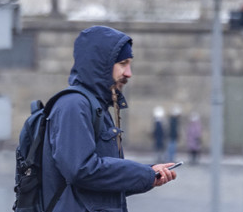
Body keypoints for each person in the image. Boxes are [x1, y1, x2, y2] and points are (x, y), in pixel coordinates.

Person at [41, 25, 177, 212]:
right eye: (123, 64)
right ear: (101, 63)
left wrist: (149, 175)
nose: (129, 73)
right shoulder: (74, 105)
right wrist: (143, 173)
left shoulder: (96, 107)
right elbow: (81, 170)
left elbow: (100, 185)